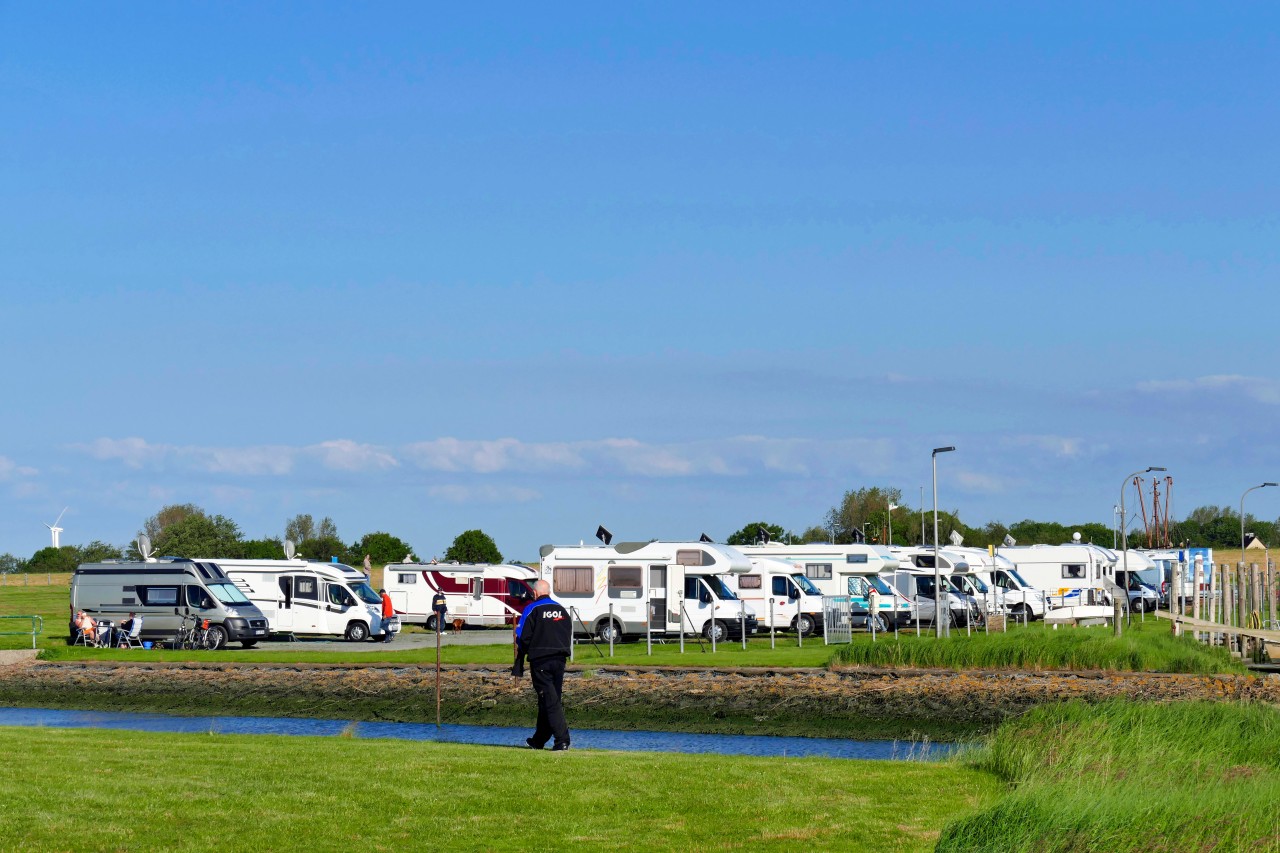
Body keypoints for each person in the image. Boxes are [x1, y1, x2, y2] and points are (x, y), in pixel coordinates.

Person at [511, 579, 572, 751]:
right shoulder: (561, 609)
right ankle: (538, 740)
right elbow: (568, 631)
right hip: (560, 659)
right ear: (549, 592)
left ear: (535, 593)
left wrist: (525, 649)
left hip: (541, 660)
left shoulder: (532, 609)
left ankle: (562, 740)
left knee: (549, 700)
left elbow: (522, 636)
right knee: (549, 699)